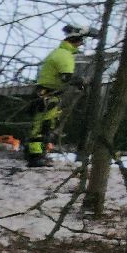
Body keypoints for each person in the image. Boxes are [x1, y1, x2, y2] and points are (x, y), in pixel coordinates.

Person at [26, 23, 94, 168]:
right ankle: (36, 156)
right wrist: (80, 81)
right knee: (43, 125)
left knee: (44, 124)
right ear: (75, 41)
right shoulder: (64, 55)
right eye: (80, 41)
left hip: (47, 93)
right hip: (49, 94)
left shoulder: (59, 53)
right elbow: (66, 77)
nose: (81, 44)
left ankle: (37, 153)